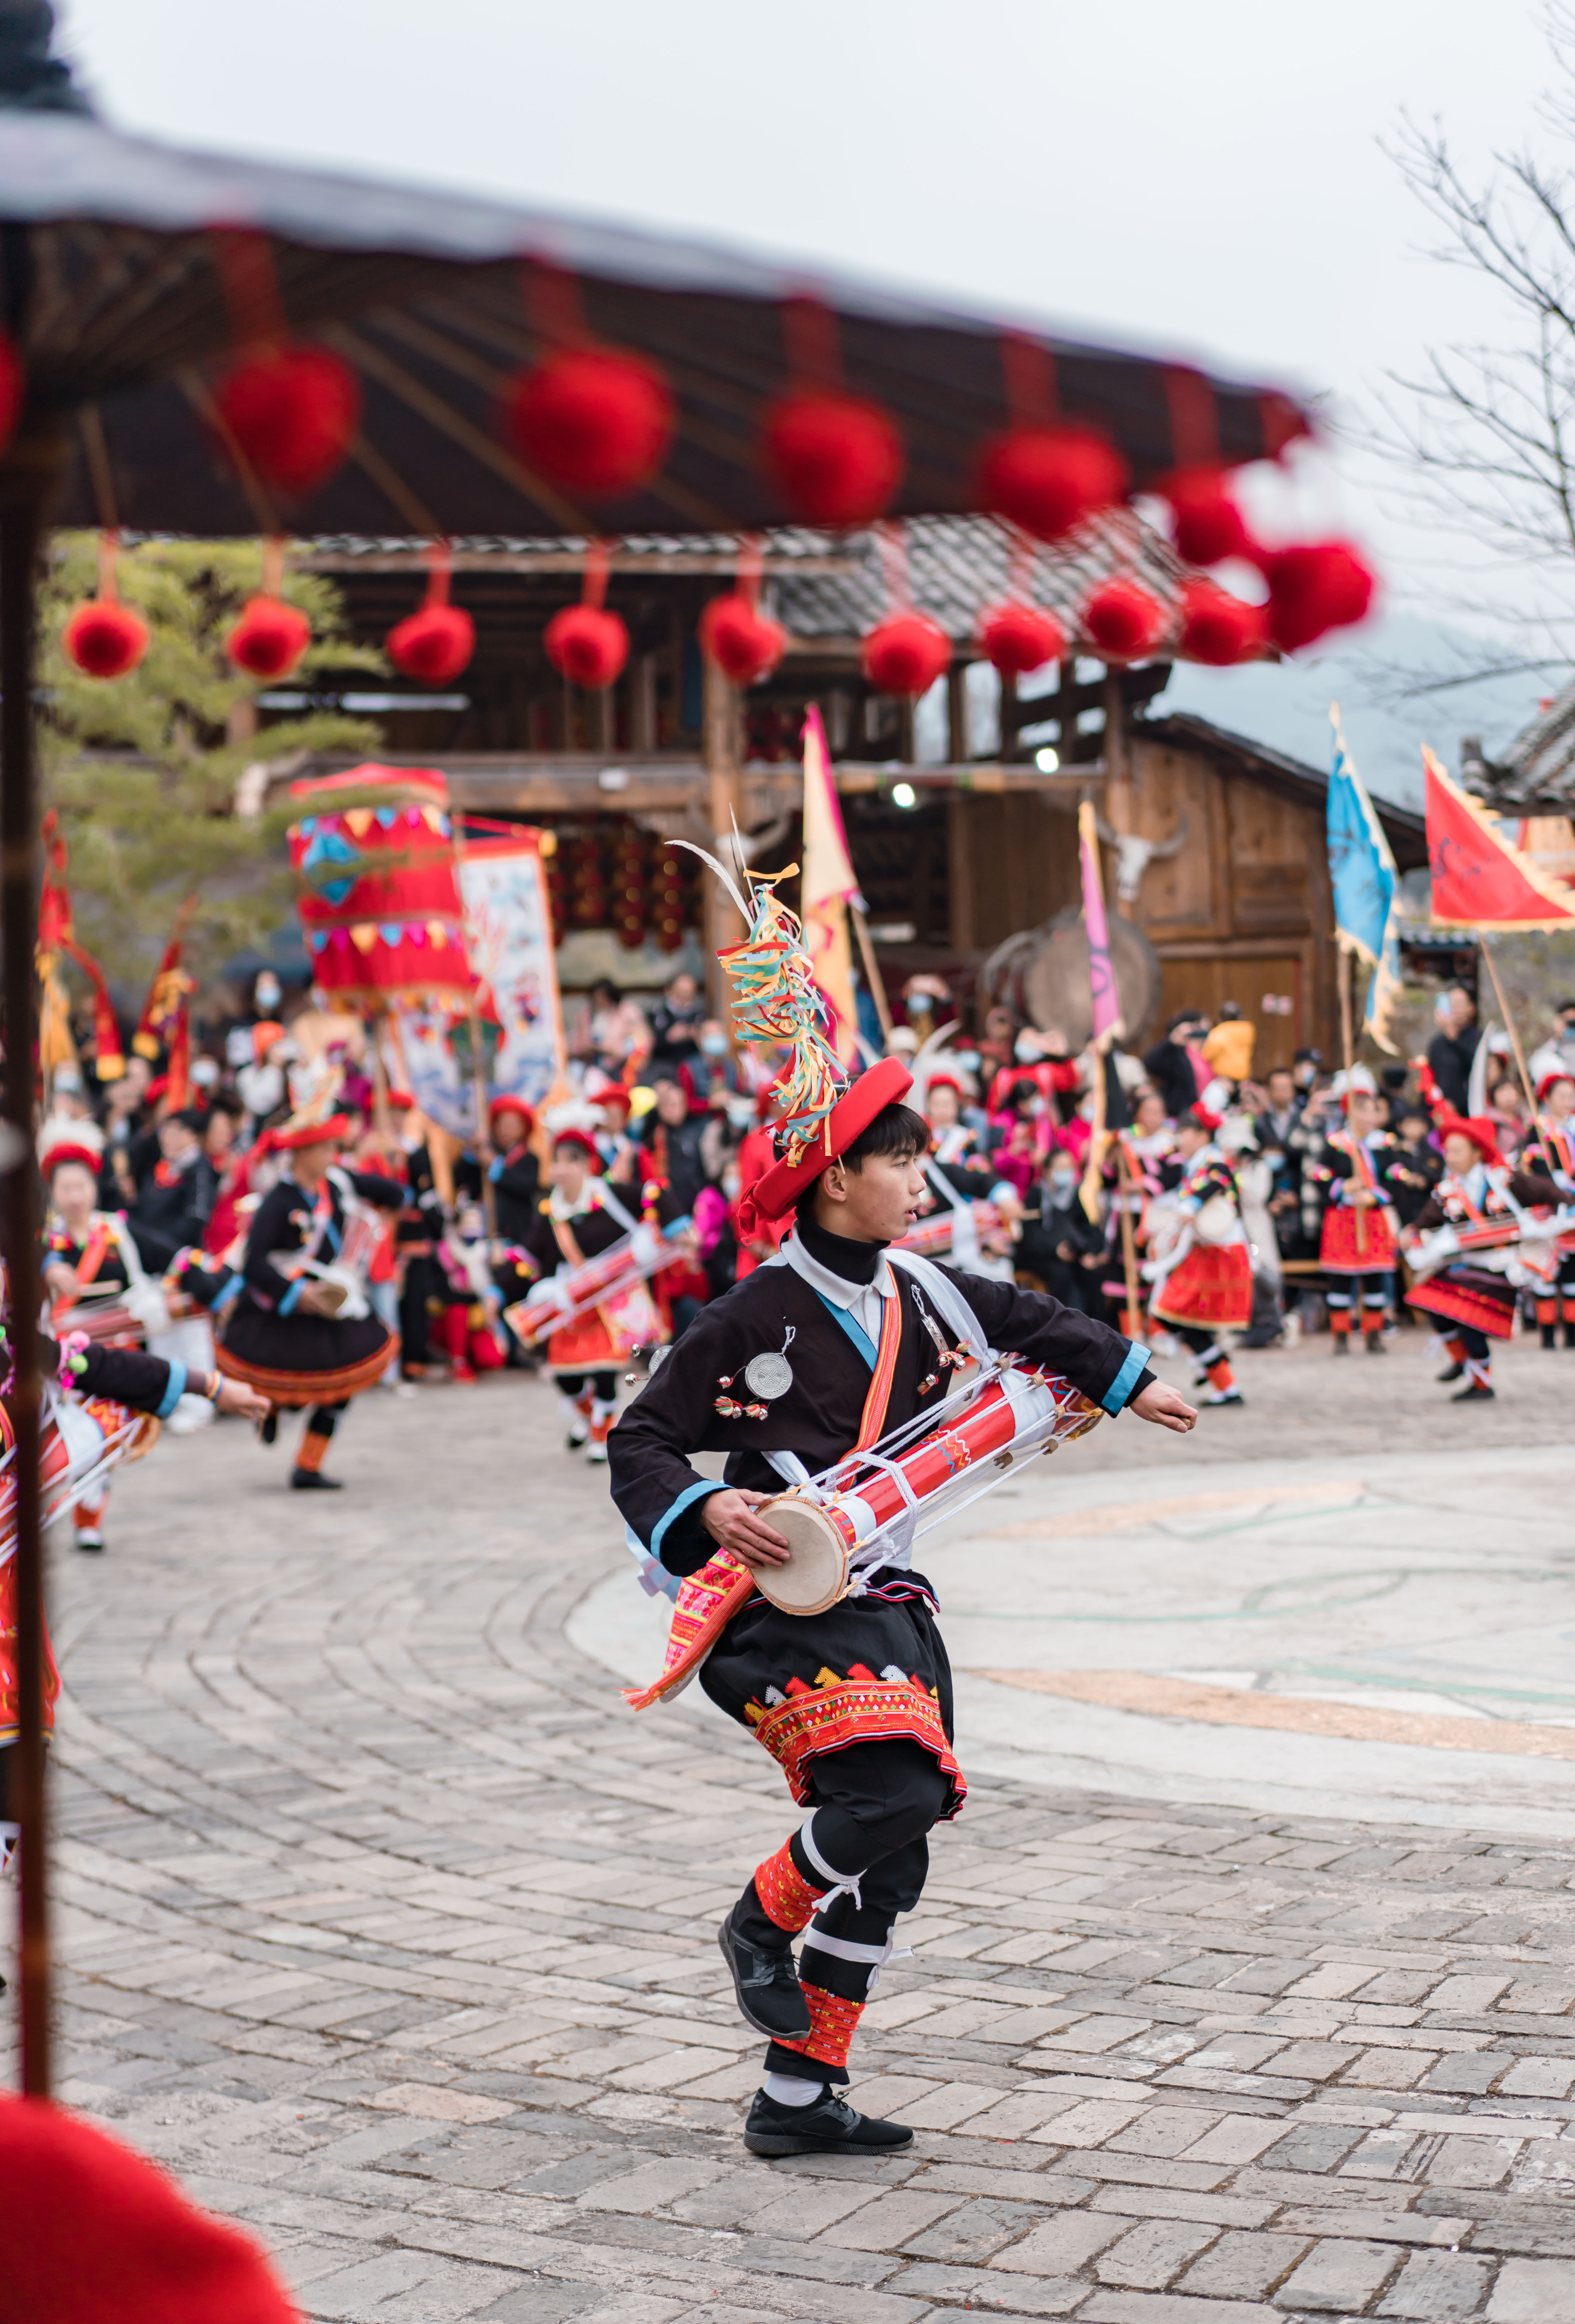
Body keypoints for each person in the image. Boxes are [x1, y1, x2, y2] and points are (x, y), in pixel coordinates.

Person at [609, 896, 1194, 2163]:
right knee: (898, 1785)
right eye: (898, 1158)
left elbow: (1037, 1321)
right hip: (776, 1602)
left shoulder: (928, 1289)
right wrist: (707, 1500)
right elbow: (640, 1439)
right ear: (831, 1177)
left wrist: (1129, 1375)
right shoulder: (749, 1313)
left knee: (895, 1849)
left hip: (886, 1591)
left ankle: (798, 2095)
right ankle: (757, 1925)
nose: (921, 1178)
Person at [215, 1105, 404, 1486]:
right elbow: (254, 1264)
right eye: (323, 1149)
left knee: (342, 1384)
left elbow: (395, 1193)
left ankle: (308, 1464)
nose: (332, 1155)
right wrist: (297, 1294)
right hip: (284, 1308)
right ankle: (270, 1409)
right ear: (301, 1153)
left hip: (328, 1306)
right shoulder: (278, 1202)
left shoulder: (335, 1186)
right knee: (286, 1380)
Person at [514, 1128, 685, 1461]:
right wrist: (499, 1286)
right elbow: (527, 1259)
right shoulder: (551, 1210)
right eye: (557, 1162)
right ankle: (587, 1413)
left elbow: (656, 1192)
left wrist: (678, 1228)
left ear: (586, 1165)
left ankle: (600, 1430)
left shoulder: (610, 1194)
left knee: (604, 1368)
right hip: (571, 1301)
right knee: (565, 1375)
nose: (561, 1169)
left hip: (610, 1298)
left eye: (570, 1161)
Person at [1402, 1115, 1560, 1400]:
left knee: (1468, 1318)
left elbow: (1548, 1192)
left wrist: (1561, 1213)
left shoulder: (1505, 1181)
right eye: (1447, 1151)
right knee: (1433, 1305)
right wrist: (1412, 1232)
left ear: (1477, 1152)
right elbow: (1427, 1221)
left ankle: (1481, 1384)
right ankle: (1462, 1360)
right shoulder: (1448, 1190)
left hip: (1500, 1267)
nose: (1449, 1158)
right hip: (1468, 1265)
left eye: (1457, 1151)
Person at [1144, 1102, 1253, 1405]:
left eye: (1184, 1132)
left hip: (1218, 1254)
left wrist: (1189, 1206)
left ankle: (1221, 1377)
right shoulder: (1196, 1163)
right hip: (1207, 1252)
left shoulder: (1215, 1161)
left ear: (1202, 1134)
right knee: (1175, 1318)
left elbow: (1217, 1184)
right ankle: (1217, 1371)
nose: (1179, 1139)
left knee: (1174, 1316)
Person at [1308, 1068, 1404, 1356]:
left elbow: (1394, 1177)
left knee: (1375, 1276)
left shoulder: (1384, 1143)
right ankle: (1341, 1335)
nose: (1370, 1117)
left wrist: (1373, 1196)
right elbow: (1320, 1176)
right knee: (1341, 1278)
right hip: (1343, 1217)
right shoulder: (1337, 1144)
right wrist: (1345, 1187)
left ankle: (1374, 1333)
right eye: (1364, 1111)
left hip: (1372, 1216)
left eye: (1374, 1111)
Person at [1519, 1070, 1575, 1347]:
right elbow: (1534, 1168)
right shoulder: (1540, 1130)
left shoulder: (1574, 1128)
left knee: (1572, 1273)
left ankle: (1573, 1334)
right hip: (1548, 1207)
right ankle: (1548, 1335)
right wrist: (1556, 1187)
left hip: (1573, 1208)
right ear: (1548, 1098)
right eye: (1562, 1096)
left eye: (1571, 1096)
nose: (1568, 1101)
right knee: (1546, 1271)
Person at [1014, 1148, 1105, 1309]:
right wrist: (1055, 1250)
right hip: (1043, 1257)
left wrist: (1090, 1252)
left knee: (1092, 1273)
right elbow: (1031, 1236)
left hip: (1072, 1255)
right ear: (1048, 1171)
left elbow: (1086, 1229)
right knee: (1061, 1275)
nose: (1067, 1173)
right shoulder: (1037, 1195)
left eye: (1069, 1168)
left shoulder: (1073, 1195)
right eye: (1061, 1168)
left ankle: (1093, 1325)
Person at [129, 1107, 217, 1270]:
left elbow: (195, 1220)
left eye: (175, 1133)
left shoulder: (200, 1172)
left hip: (175, 1257)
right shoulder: (164, 1164)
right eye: (165, 1132)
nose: (167, 1139)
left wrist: (154, 1241)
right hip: (150, 1250)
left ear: (193, 1136)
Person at [1142, 1012, 1208, 1123]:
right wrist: (1171, 1042)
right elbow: (1150, 1064)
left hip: (1196, 1113)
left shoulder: (1202, 1053)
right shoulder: (1175, 1053)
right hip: (1178, 1115)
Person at [1426, 986, 1480, 1116]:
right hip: (1442, 1112)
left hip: (1470, 1111)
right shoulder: (1437, 1043)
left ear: (1471, 1009)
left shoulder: (1478, 1037)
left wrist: (1453, 1037)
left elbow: (1476, 1065)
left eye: (1459, 1004)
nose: (1455, 1008)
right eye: (1451, 1003)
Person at [647, 970, 707, 1082]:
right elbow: (650, 1045)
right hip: (664, 1069)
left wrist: (696, 1035)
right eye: (680, 993)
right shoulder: (657, 1014)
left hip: (692, 1068)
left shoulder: (699, 1016)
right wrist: (668, 1038)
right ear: (669, 991)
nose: (685, 998)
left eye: (689, 994)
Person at [1202, 1001, 1255, 1090]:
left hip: (1224, 1079)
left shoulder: (1219, 1032)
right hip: (1244, 1077)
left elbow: (1207, 1055)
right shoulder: (1248, 1031)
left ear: (1221, 1018)